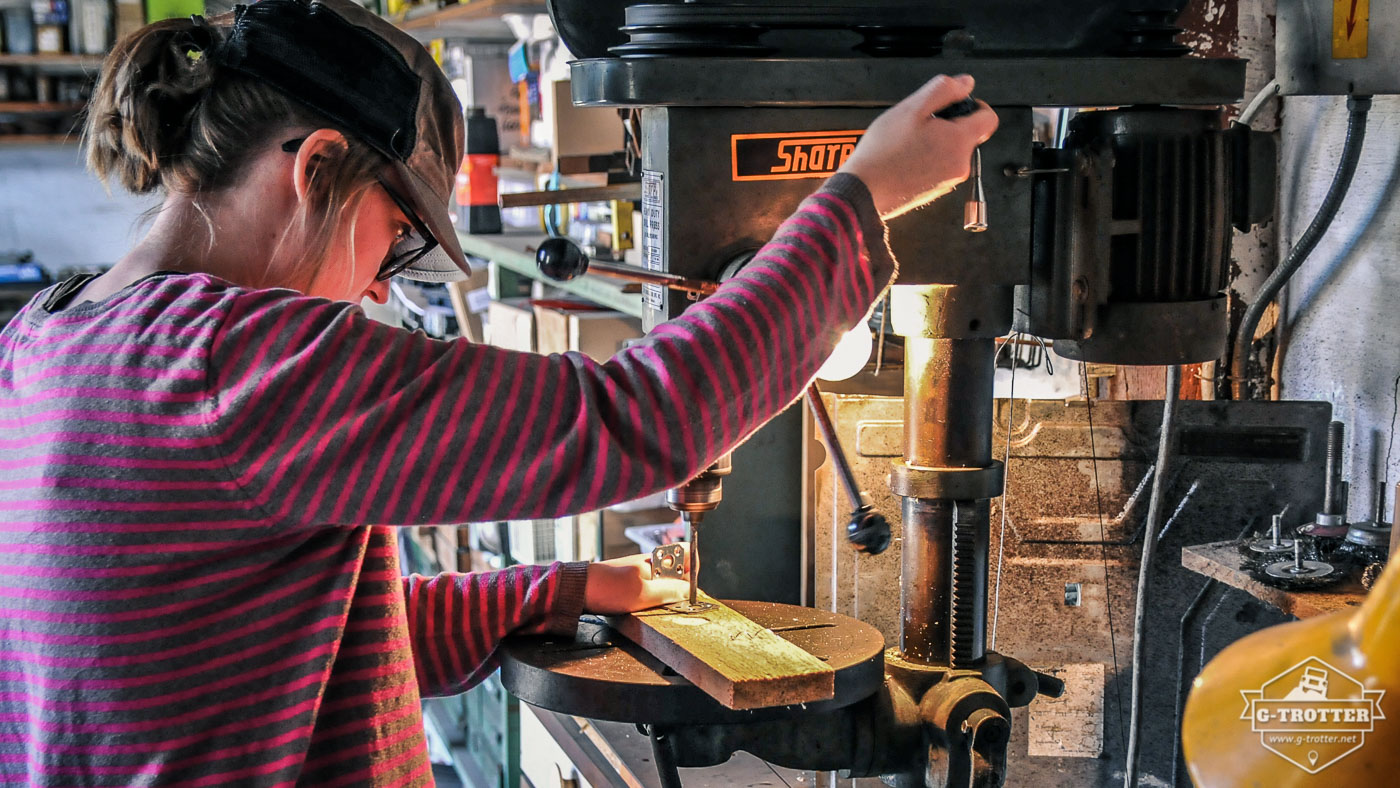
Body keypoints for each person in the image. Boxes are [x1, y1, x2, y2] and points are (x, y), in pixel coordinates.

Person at [0, 0, 997, 784]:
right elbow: (634, 420)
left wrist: (571, 589)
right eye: (396, 237)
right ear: (312, 171)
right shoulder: (234, 364)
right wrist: (864, 195)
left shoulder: (43, 346)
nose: (386, 284)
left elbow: (308, 645)